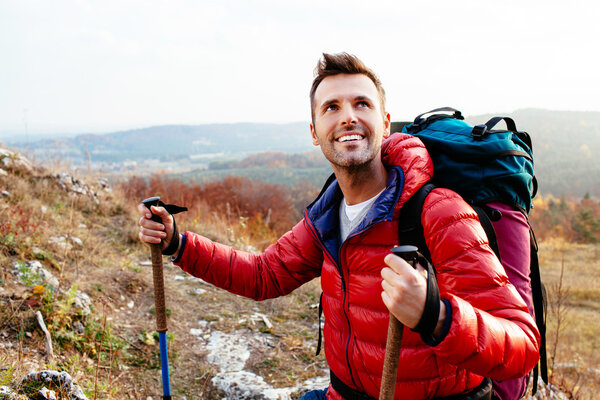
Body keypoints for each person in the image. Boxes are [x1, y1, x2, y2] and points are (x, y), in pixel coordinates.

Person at [138, 53, 540, 400]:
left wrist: (435, 314)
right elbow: (263, 276)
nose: (348, 116)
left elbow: (522, 347)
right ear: (315, 132)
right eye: (331, 107)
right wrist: (178, 242)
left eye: (361, 104)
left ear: (385, 124)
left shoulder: (439, 214)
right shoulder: (328, 216)